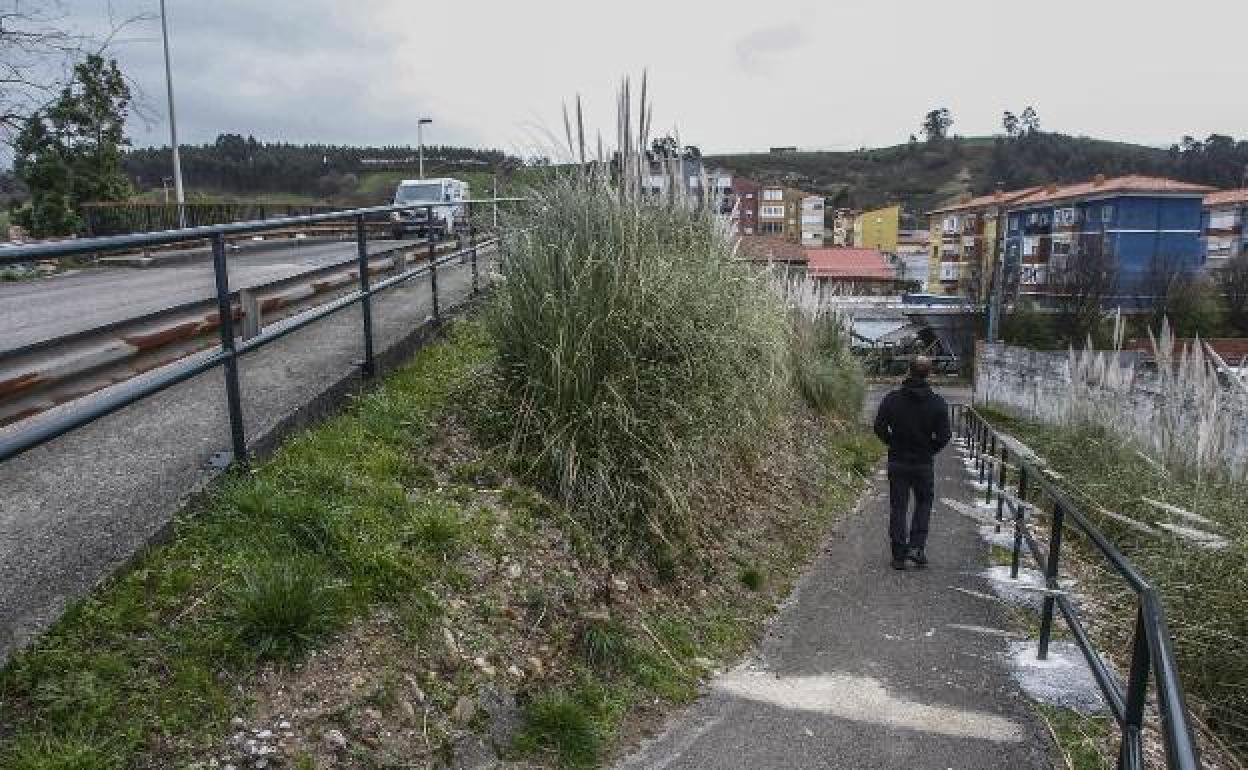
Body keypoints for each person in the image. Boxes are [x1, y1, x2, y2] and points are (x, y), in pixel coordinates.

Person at [872, 356, 952, 571]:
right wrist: (929, 449)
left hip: (898, 460)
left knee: (898, 507)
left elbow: (879, 427)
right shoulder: (937, 403)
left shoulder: (892, 399)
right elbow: (944, 436)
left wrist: (892, 443)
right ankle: (916, 549)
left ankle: (899, 555)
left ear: (908, 371)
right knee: (923, 504)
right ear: (929, 374)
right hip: (923, 463)